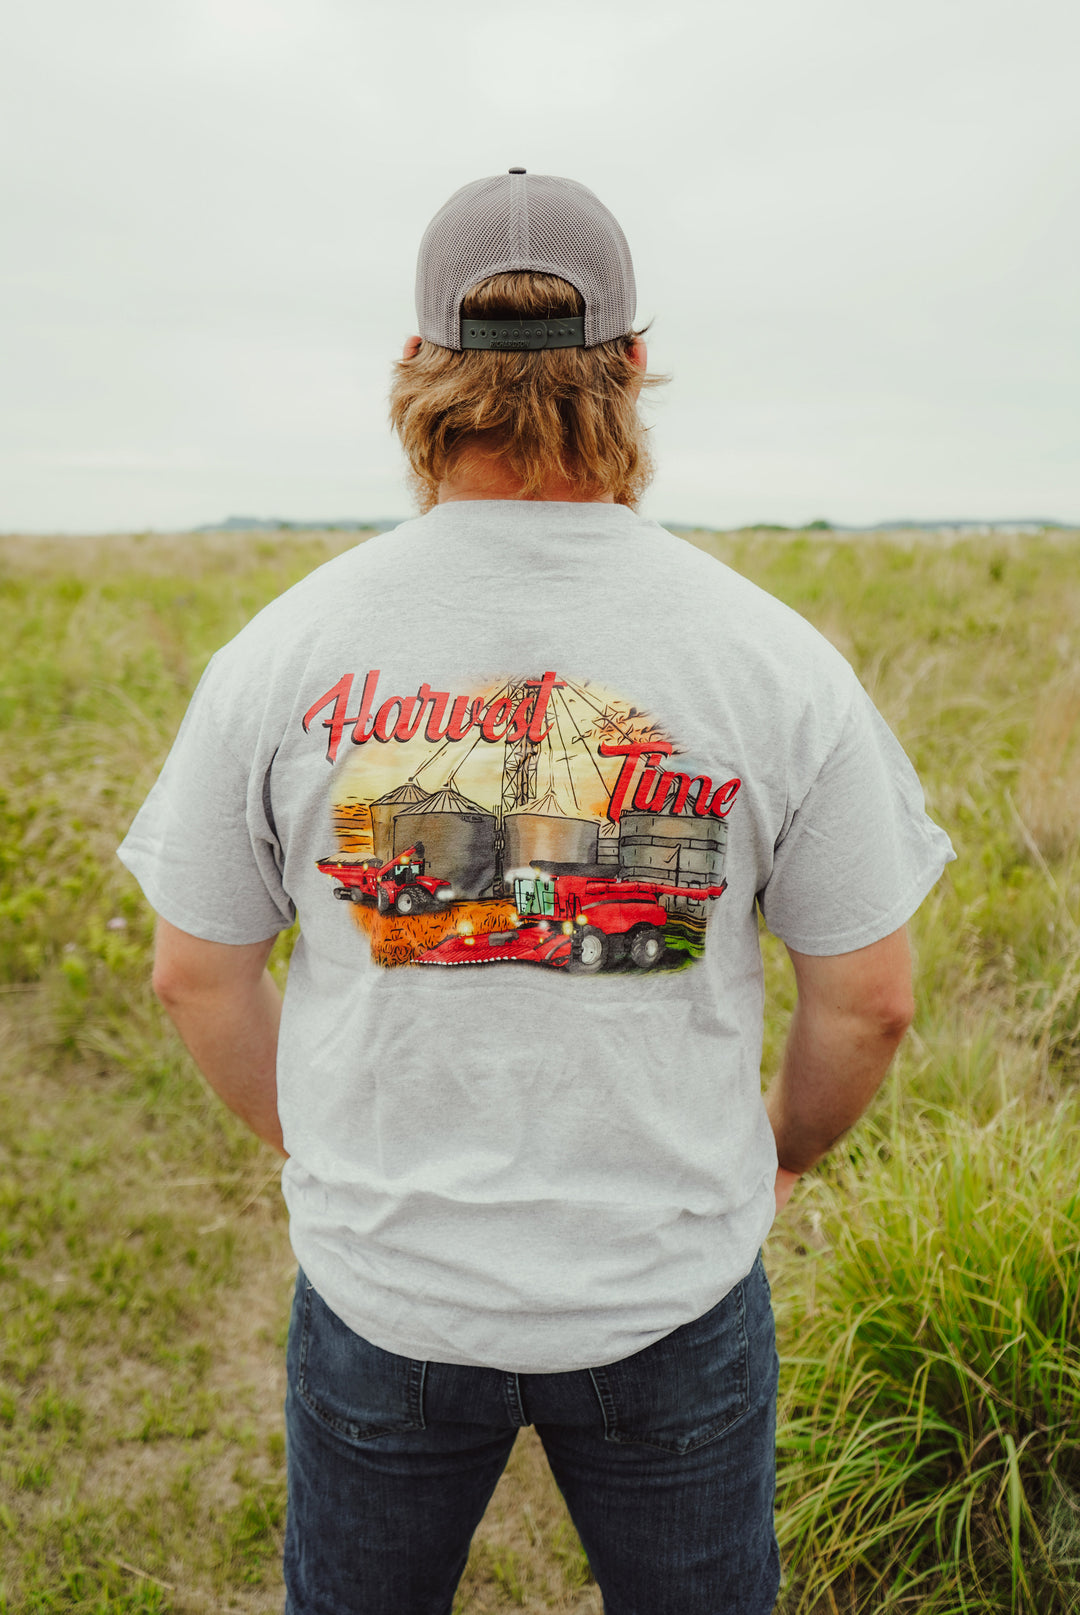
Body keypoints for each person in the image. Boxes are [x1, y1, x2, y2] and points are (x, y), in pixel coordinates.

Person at [118, 169, 955, 1615]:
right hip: (670, 1292)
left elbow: (196, 974)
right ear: (632, 367)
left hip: (388, 1294)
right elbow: (870, 1003)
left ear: (415, 366)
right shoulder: (769, 658)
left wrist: (320, 1144)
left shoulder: (284, 649)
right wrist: (783, 1155)